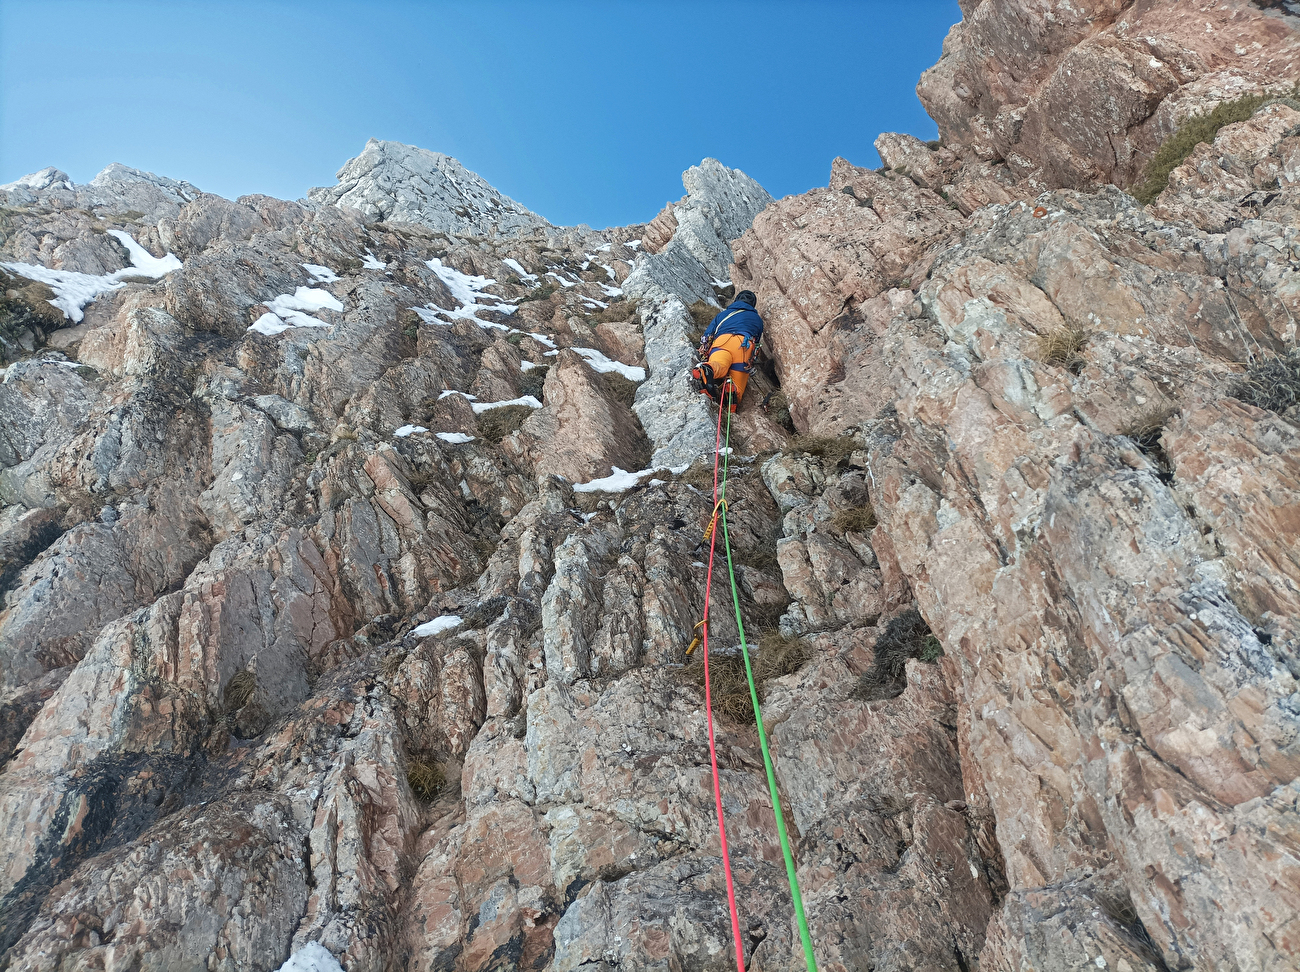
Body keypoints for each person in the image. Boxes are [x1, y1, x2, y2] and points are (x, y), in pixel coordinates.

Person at [690, 290, 764, 412]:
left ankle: (709, 369)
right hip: (743, 345)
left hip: (722, 342)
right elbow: (757, 343)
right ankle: (731, 390)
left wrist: (704, 350)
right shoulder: (757, 319)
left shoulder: (723, 314)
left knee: (719, 365)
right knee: (738, 386)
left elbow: (708, 335)